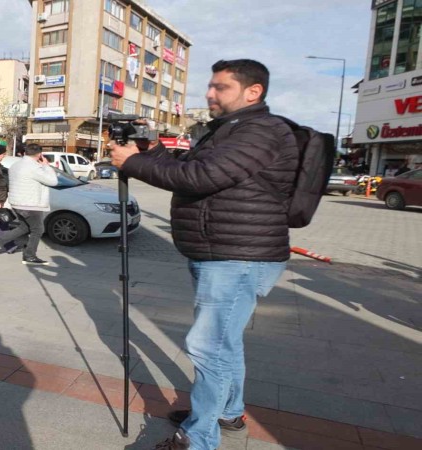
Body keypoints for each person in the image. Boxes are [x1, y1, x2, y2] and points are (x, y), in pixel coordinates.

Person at [109, 59, 299, 450]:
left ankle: (198, 439)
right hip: (225, 252)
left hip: (238, 256)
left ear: (253, 92)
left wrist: (133, 163)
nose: (209, 94)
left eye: (220, 87)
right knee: (224, 344)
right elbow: (192, 168)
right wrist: (154, 151)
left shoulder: (261, 130)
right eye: (210, 86)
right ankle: (226, 413)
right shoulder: (230, 131)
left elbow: (200, 178)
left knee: (208, 346)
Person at [0, 143, 58, 265]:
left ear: (24, 153)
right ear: (40, 154)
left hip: (18, 203)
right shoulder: (34, 167)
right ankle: (29, 256)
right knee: (38, 229)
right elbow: (53, 181)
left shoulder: (16, 165)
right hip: (31, 204)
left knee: (24, 227)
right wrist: (46, 166)